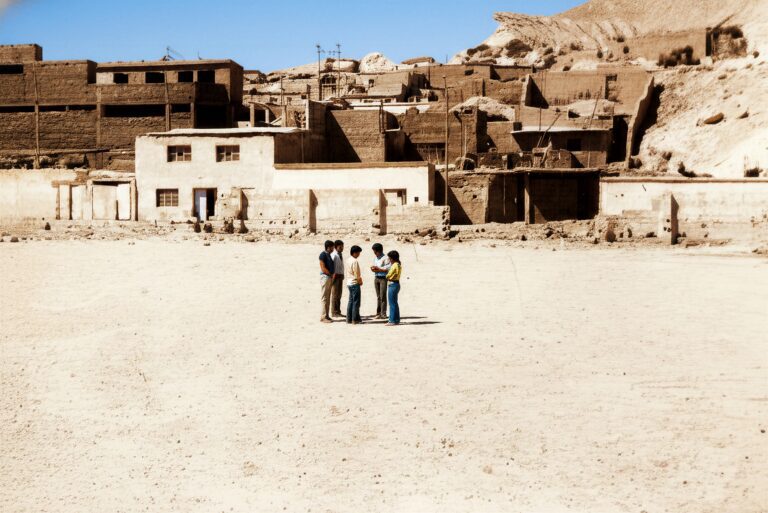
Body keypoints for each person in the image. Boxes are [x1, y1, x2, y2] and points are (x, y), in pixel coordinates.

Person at [370, 243, 391, 319]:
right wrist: (373, 269)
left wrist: (378, 269)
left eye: (375, 252)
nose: (375, 253)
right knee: (378, 296)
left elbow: (388, 268)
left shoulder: (386, 258)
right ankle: (378, 313)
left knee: (383, 296)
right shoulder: (376, 258)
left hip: (383, 278)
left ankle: (383, 313)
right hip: (376, 277)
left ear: (380, 250)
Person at [346, 245, 363, 324]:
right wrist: (360, 281)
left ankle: (348, 319)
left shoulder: (348, 260)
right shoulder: (354, 261)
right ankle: (354, 319)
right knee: (356, 302)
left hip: (349, 282)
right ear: (355, 253)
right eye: (358, 253)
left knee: (351, 301)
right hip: (354, 282)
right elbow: (356, 274)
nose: (359, 254)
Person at [319, 240, 335, 323]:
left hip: (329, 277)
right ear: (328, 247)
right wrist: (330, 274)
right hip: (325, 277)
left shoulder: (328, 255)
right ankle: (323, 316)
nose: (333, 249)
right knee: (325, 297)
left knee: (328, 297)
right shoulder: (323, 255)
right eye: (332, 247)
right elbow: (323, 267)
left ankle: (327, 315)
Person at [385, 250, 402, 326]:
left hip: (392, 284)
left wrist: (387, 276)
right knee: (395, 303)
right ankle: (396, 319)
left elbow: (388, 275)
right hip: (397, 284)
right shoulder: (398, 264)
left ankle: (392, 320)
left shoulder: (394, 265)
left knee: (392, 303)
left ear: (392, 258)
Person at [330, 240, 345, 318]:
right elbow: (332, 266)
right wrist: (333, 276)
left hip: (340, 276)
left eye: (342, 246)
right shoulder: (334, 255)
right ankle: (334, 312)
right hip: (335, 277)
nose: (342, 248)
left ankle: (338, 311)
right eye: (340, 247)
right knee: (335, 295)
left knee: (339, 294)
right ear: (336, 247)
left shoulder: (340, 255)